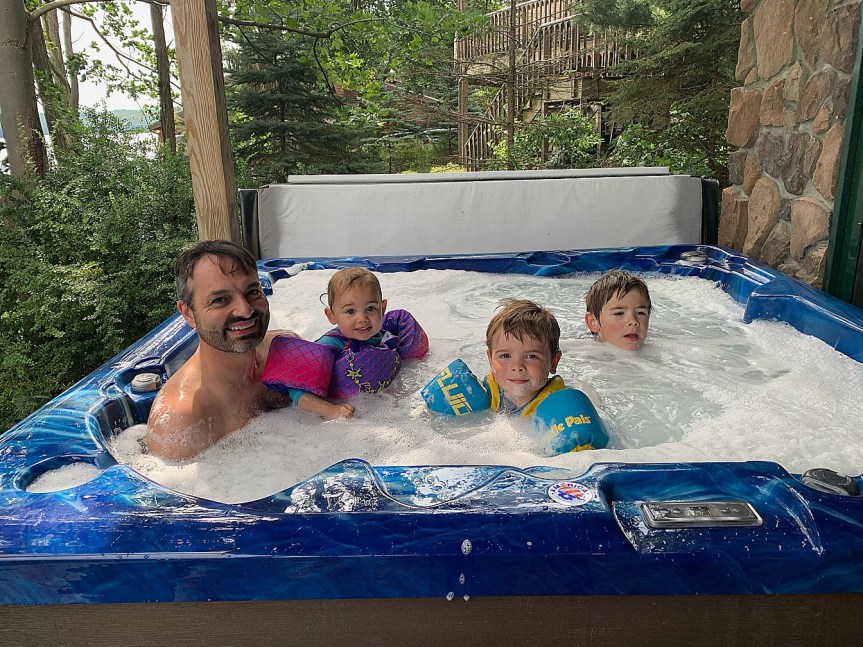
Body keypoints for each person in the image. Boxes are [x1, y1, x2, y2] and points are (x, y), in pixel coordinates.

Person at [145, 240, 294, 461]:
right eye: (220, 300)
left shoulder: (285, 350)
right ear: (188, 313)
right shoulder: (180, 423)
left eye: (252, 292)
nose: (245, 310)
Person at [262, 267, 429, 419]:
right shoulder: (330, 344)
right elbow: (296, 391)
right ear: (331, 316)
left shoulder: (384, 335)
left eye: (371, 308)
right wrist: (331, 410)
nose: (362, 318)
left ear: (383, 308)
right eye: (350, 311)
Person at [484, 298, 565, 416]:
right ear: (491, 360)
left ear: (553, 362)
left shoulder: (560, 408)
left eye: (531, 356)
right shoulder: (483, 393)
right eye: (505, 356)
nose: (517, 366)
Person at [584, 269, 652, 351]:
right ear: (593, 322)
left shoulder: (657, 350)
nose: (633, 321)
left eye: (640, 313)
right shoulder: (582, 353)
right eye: (619, 313)